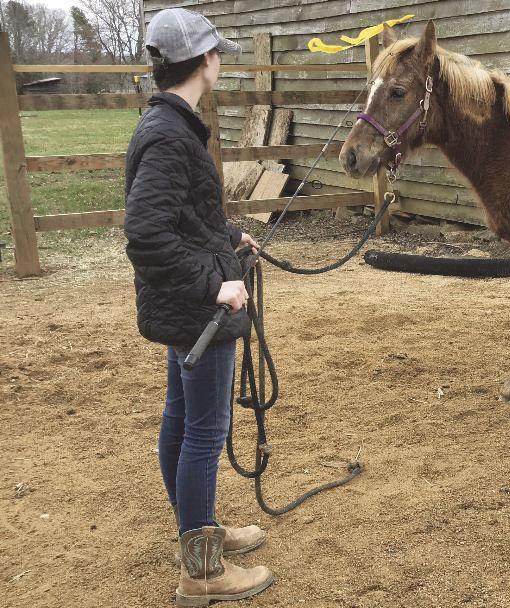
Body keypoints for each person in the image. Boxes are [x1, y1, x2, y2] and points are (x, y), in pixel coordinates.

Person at [123, 8, 274, 606]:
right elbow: (146, 232)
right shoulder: (167, 134)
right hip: (197, 311)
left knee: (181, 420)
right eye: (217, 53)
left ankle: (199, 529)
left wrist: (227, 238)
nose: (220, 60)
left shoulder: (170, 124)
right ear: (204, 61)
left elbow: (182, 217)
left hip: (184, 305)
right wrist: (216, 285)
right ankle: (201, 569)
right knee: (204, 430)